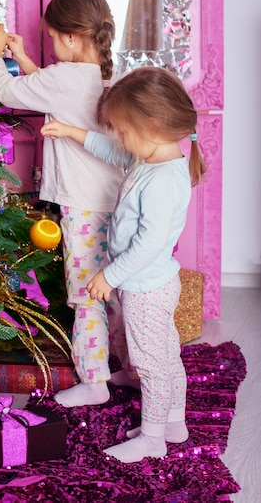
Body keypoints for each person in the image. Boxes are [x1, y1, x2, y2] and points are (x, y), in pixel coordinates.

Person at [41, 66, 206, 463]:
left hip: (146, 288)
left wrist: (108, 275)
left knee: (151, 365)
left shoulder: (163, 179)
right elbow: (111, 150)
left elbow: (148, 244)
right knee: (166, 356)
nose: (121, 139)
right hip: (152, 283)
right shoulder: (151, 159)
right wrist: (72, 132)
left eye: (124, 130)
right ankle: (174, 422)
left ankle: (152, 439)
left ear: (151, 125)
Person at [0, 0, 130, 408]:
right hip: (114, 199)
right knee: (117, 288)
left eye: (50, 38)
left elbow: (7, 91)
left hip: (82, 204)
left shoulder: (61, 79)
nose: (49, 45)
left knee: (85, 292)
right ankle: (130, 367)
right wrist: (28, 58)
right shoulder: (99, 75)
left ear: (69, 38)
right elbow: (48, 87)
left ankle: (94, 380)